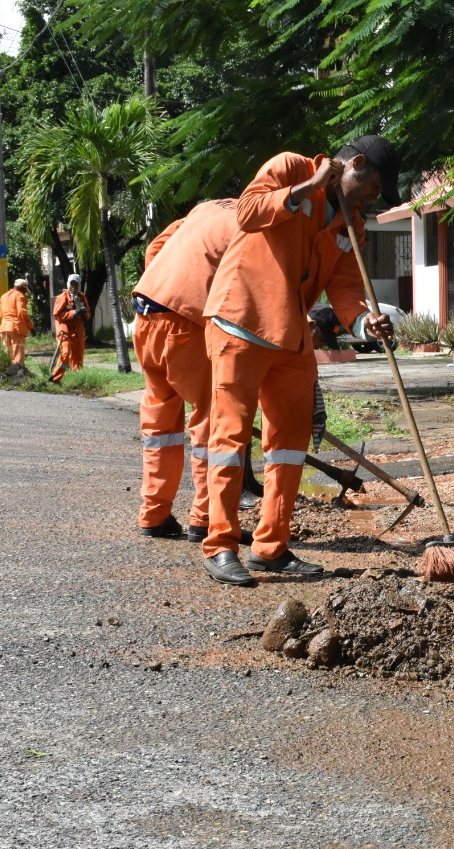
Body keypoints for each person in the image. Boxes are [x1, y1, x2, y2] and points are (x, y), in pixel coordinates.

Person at [200, 135, 401, 587]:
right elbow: (248, 213)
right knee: (231, 438)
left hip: (292, 337)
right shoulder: (291, 168)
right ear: (356, 164)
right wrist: (307, 186)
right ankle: (220, 545)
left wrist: (367, 323)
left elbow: (346, 288)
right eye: (373, 189)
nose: (373, 200)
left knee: (290, 442)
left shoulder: (353, 226)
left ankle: (270, 547)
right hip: (241, 320)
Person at [133, 199, 255, 546]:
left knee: (161, 424)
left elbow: (156, 247)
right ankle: (206, 519)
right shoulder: (257, 220)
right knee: (211, 421)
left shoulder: (206, 208)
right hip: (186, 322)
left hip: (147, 312)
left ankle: (154, 515)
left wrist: (167, 289)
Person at [51, 273, 90, 383]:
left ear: (79, 285)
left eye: (76, 284)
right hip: (65, 331)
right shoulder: (62, 297)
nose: (74, 287)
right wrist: (73, 313)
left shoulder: (82, 297)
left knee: (78, 356)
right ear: (68, 285)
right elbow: (57, 315)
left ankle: (77, 380)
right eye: (72, 284)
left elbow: (88, 313)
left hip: (78, 331)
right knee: (66, 352)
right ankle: (55, 378)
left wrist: (84, 314)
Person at [0, 279, 33, 370]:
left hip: (3, 327)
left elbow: (1, 314)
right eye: (25, 289)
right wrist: (31, 327)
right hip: (15, 327)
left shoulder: (4, 296)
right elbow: (21, 312)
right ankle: (18, 372)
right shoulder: (19, 296)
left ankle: (6, 370)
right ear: (21, 288)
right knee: (17, 352)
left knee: (7, 352)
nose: (26, 292)